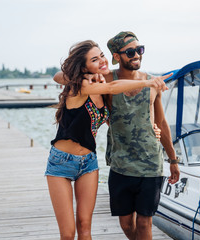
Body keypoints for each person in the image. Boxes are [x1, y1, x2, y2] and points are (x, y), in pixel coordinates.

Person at [45, 40, 171, 240]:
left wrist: (152, 127)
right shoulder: (80, 86)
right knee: (68, 234)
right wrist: (147, 82)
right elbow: (112, 86)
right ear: (84, 66)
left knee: (85, 227)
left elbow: (118, 115)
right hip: (61, 162)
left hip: (88, 163)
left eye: (102, 55)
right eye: (94, 60)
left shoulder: (100, 89)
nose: (102, 61)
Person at [103, 31, 180, 240]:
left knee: (145, 223)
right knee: (126, 224)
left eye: (140, 50)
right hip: (120, 164)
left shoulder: (152, 82)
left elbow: (161, 123)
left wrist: (173, 159)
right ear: (117, 56)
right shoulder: (107, 80)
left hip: (150, 164)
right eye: (130, 51)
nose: (137, 55)